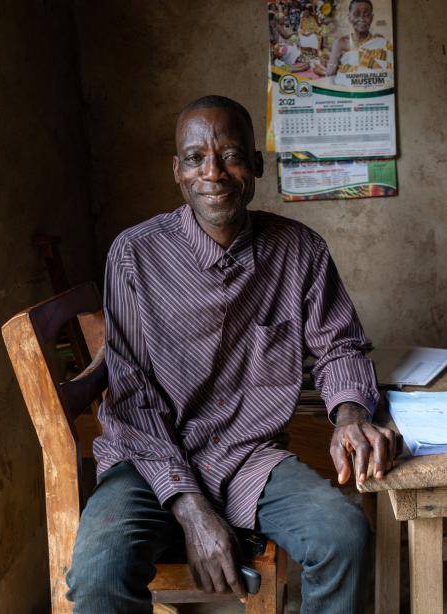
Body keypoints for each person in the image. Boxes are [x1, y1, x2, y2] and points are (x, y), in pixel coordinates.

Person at [65, 95, 398, 614]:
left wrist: (349, 417)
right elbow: (131, 398)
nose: (213, 173)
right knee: (98, 575)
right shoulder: (134, 254)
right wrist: (193, 511)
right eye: (196, 158)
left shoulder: (300, 250)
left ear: (258, 166)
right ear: (177, 172)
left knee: (345, 536)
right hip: (148, 458)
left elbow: (339, 345)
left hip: (249, 457)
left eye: (232, 155)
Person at [313, 0, 393, 83]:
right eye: (356, 14)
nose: (362, 18)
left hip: (375, 91)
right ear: (349, 17)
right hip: (348, 92)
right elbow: (330, 72)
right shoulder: (341, 43)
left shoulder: (380, 42)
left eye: (366, 14)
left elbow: (389, 72)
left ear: (372, 17)